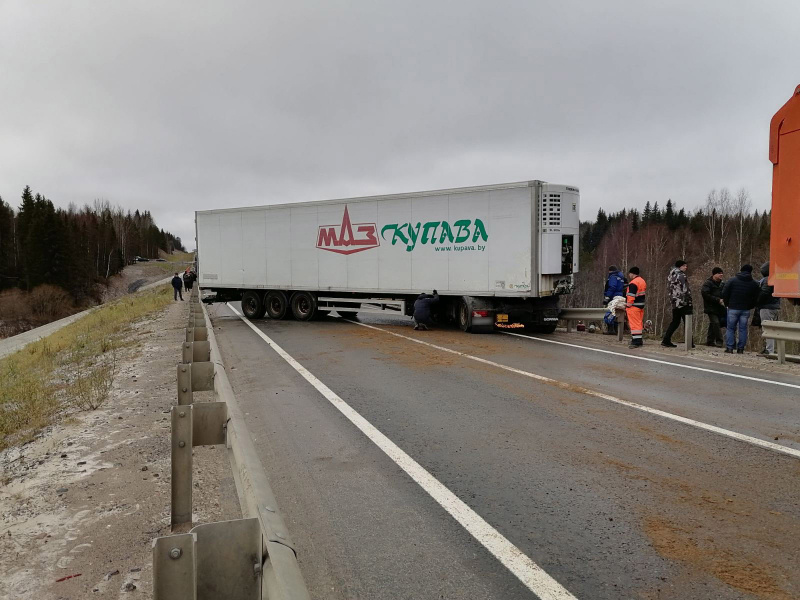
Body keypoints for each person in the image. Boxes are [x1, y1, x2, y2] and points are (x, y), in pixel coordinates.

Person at [721, 264, 760, 353]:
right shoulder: (754, 283)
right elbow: (757, 297)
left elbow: (724, 293)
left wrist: (727, 304)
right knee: (743, 329)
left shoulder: (732, 280)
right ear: (750, 272)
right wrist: (750, 306)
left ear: (741, 270)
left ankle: (730, 347)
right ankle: (741, 349)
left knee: (730, 328)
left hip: (733, 307)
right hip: (745, 309)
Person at [661, 260, 694, 348]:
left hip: (674, 301)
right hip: (683, 301)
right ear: (680, 266)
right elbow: (685, 289)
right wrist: (689, 300)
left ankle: (666, 339)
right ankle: (690, 342)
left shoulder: (671, 275)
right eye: (684, 266)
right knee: (687, 321)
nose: (686, 267)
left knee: (675, 321)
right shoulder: (681, 275)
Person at [757, 262, 781, 355]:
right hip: (775, 306)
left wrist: (756, 301)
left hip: (766, 307)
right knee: (772, 329)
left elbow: (764, 293)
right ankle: (769, 348)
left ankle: (769, 350)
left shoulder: (767, 280)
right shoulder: (777, 279)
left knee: (767, 329)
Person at [701, 267, 726, 347]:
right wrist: (717, 299)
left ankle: (710, 341)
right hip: (711, 307)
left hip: (720, 308)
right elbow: (705, 294)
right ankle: (719, 341)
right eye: (719, 273)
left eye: (722, 273)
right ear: (714, 274)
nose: (721, 275)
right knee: (716, 323)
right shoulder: (708, 283)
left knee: (713, 324)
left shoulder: (722, 284)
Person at [625, 267, 646, 349]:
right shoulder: (642, 281)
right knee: (639, 323)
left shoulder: (633, 283)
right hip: (641, 305)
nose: (629, 275)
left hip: (634, 306)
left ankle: (636, 341)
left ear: (632, 273)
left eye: (629, 273)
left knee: (634, 324)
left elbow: (631, 296)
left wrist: (628, 305)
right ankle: (639, 340)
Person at [603, 265, 627, 335]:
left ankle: (611, 329)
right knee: (617, 312)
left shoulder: (613, 277)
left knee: (611, 311)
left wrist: (607, 297)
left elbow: (612, 287)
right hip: (620, 296)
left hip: (613, 296)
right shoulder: (621, 277)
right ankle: (616, 329)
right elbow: (625, 285)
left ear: (610, 271)